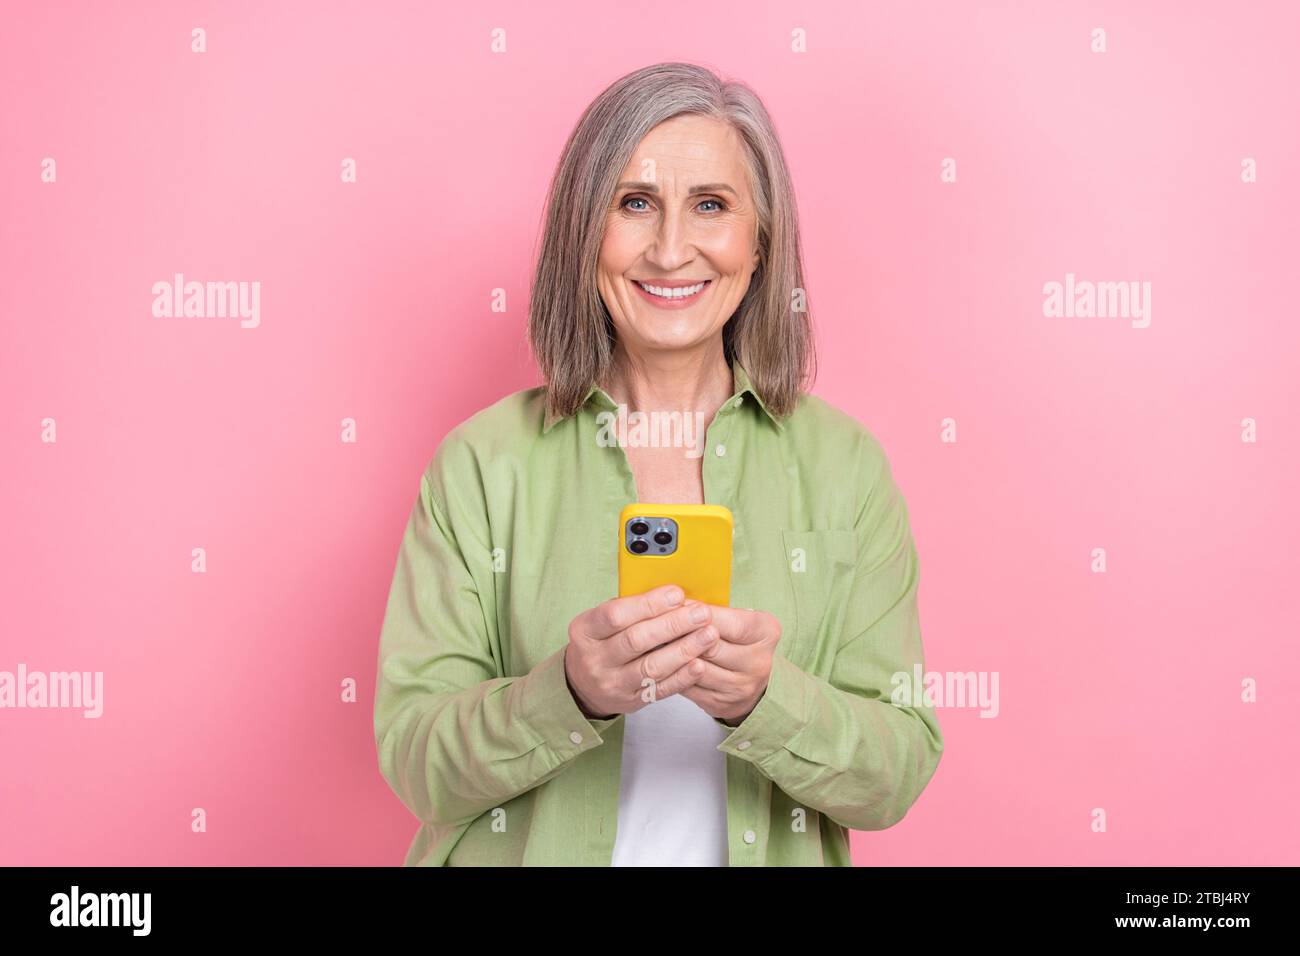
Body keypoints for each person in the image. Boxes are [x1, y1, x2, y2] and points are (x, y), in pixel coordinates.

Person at [373, 61, 943, 866]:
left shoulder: (846, 469)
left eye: (710, 205)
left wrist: (766, 702)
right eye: (635, 203)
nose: (672, 250)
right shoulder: (482, 463)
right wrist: (566, 693)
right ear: (584, 231)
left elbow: (899, 768)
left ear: (759, 240)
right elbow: (413, 759)